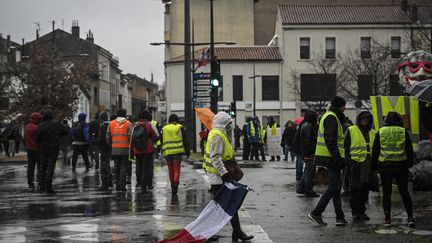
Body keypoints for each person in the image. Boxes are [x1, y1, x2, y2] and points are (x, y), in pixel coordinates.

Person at [203, 111, 254, 241]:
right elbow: (215, 157)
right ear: (223, 124)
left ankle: (236, 231)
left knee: (229, 203)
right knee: (219, 206)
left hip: (218, 175)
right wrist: (224, 173)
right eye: (228, 123)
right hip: (218, 176)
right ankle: (208, 232)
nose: (230, 126)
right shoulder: (217, 135)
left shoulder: (219, 134)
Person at [308, 96, 348, 226]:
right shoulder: (332, 117)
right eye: (343, 106)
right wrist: (337, 158)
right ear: (339, 106)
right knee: (334, 187)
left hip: (328, 156)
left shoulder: (330, 116)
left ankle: (340, 217)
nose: (345, 108)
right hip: (330, 157)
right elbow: (330, 140)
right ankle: (316, 212)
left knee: (336, 188)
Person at [372, 111, 415, 228]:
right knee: (404, 192)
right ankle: (410, 218)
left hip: (385, 167)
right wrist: (410, 164)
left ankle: (387, 219)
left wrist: (374, 167)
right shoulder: (402, 131)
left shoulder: (380, 132)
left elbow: (375, 150)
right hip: (401, 166)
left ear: (385, 121)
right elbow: (409, 149)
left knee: (386, 193)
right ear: (398, 120)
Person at [344, 111, 376, 221]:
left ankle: (361, 211)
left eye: (367, 119)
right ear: (359, 120)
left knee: (365, 189)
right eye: (363, 119)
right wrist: (349, 161)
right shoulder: (352, 130)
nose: (364, 121)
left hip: (368, 164)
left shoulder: (373, 132)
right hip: (355, 163)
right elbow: (346, 147)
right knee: (355, 188)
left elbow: (375, 149)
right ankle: (355, 212)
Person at [35, 110, 69, 193]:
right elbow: (66, 131)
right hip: (54, 147)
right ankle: (48, 186)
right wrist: (58, 136)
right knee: (51, 166)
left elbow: (37, 139)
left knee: (43, 166)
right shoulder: (56, 124)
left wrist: (42, 142)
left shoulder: (41, 125)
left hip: (44, 148)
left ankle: (42, 186)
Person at [161, 114, 189, 195]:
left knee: (170, 169)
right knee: (176, 169)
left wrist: (161, 150)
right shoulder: (180, 127)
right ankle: (176, 184)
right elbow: (185, 140)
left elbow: (162, 140)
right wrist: (187, 152)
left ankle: (172, 185)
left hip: (168, 152)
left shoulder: (165, 128)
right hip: (177, 151)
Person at [131, 110, 158, 193]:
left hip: (137, 150)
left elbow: (132, 138)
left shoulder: (135, 125)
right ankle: (145, 185)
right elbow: (156, 136)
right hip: (148, 150)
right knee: (147, 168)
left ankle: (139, 183)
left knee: (139, 167)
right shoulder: (149, 125)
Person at [107, 108, 133, 192]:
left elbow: (107, 137)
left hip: (115, 149)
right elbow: (131, 136)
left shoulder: (111, 123)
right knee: (123, 167)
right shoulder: (128, 123)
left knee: (116, 166)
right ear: (125, 114)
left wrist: (111, 145)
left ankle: (117, 185)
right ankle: (122, 186)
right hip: (125, 149)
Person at [296, 109, 319, 197]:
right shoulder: (309, 126)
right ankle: (308, 190)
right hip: (309, 153)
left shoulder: (305, 125)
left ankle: (301, 188)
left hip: (306, 153)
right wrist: (311, 152)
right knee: (310, 172)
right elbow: (308, 141)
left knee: (307, 171)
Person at [24, 112, 42, 191]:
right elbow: (40, 139)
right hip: (37, 149)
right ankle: (39, 178)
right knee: (39, 165)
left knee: (30, 166)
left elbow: (25, 138)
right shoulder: (37, 127)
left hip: (29, 149)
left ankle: (30, 180)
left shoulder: (27, 127)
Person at [97, 112, 112, 191]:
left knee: (103, 167)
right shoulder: (111, 125)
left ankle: (104, 184)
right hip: (110, 148)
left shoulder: (103, 126)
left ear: (101, 118)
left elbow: (102, 139)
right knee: (107, 164)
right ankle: (110, 181)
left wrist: (98, 142)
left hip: (104, 148)